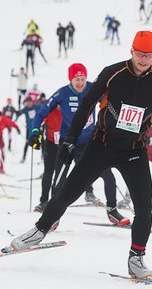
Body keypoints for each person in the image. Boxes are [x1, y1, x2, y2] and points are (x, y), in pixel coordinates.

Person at [9, 31, 152, 281]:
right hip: (102, 145)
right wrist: (69, 140)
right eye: (140, 54)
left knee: (144, 207)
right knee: (67, 191)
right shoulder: (112, 73)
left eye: (149, 55)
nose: (143, 59)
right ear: (131, 51)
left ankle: (136, 258)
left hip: (134, 151)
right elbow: (87, 103)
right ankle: (39, 230)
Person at [27, 63, 130, 224]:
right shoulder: (62, 93)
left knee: (108, 176)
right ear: (70, 79)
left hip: (90, 143)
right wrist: (34, 132)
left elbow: (112, 105)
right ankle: (52, 217)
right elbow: (41, 113)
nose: (80, 83)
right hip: (68, 142)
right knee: (60, 181)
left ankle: (112, 211)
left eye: (83, 79)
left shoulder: (93, 88)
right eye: (77, 79)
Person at [34, 106, 63, 212]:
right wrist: (36, 135)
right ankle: (44, 201)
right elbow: (39, 122)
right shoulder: (51, 111)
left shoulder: (69, 110)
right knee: (48, 173)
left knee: (60, 174)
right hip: (51, 144)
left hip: (64, 145)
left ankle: (56, 201)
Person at [16, 97, 40, 163]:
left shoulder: (36, 107)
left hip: (38, 128)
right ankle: (23, 157)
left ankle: (43, 156)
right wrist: (17, 112)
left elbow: (43, 111)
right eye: (27, 102)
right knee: (27, 142)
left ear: (32, 102)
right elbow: (19, 113)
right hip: (29, 129)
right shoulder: (25, 109)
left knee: (41, 141)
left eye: (30, 102)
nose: (29, 103)